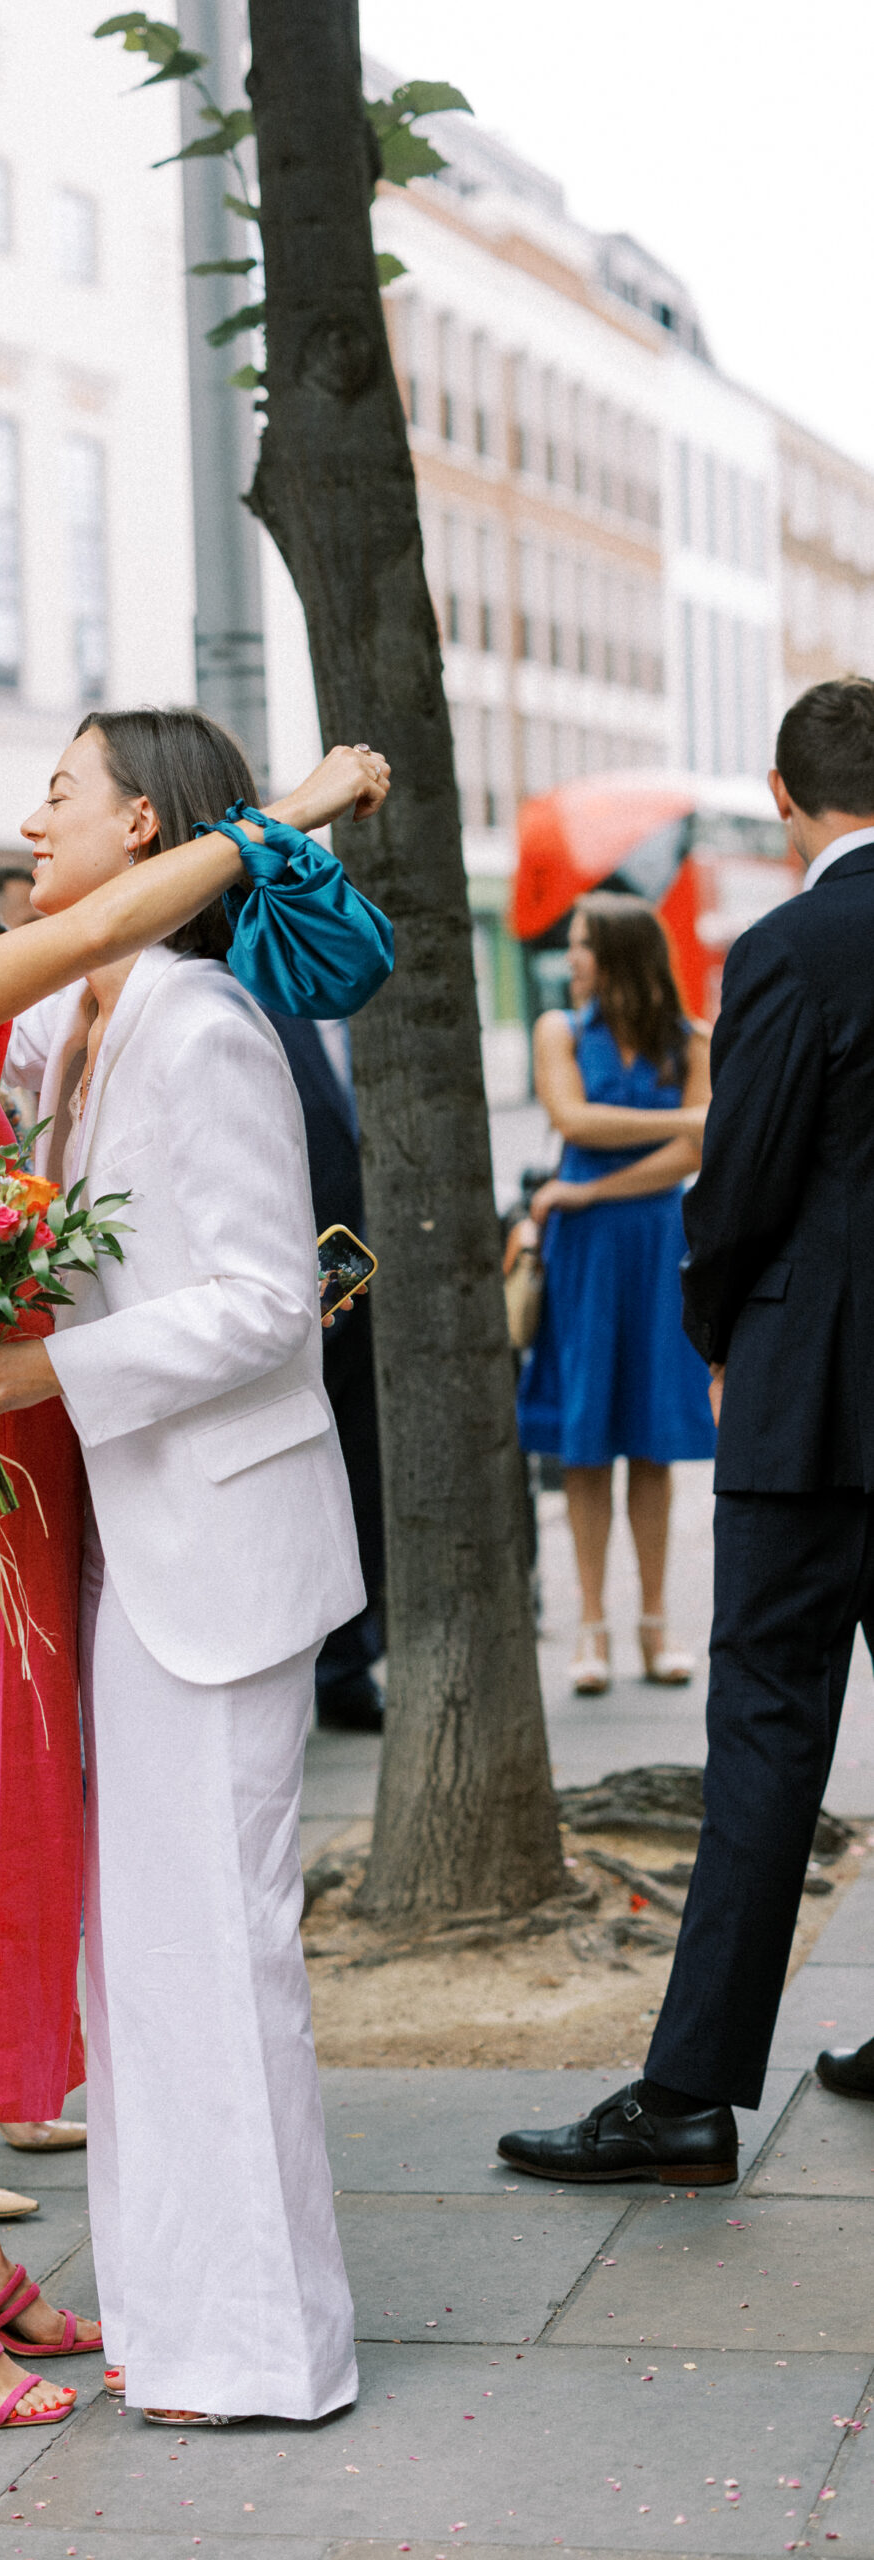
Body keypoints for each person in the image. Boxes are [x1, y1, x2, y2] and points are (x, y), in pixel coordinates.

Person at [0, 735, 386, 2432]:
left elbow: (249, 1279)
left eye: (46, 793)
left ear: (136, 820)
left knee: (59, 1892)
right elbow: (126, 928)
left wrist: (50, 1382)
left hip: (80, 1503)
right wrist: (284, 822)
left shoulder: (104, 1015)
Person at [497, 677, 874, 2186]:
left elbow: (742, 1175)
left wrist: (715, 1323)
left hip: (813, 1395)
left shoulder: (789, 947)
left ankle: (687, 2099)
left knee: (766, 1732)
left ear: (782, 800)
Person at [514, 893, 715, 1694]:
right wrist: (683, 1122)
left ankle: (654, 1625)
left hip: (650, 1242)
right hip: (589, 1255)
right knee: (585, 1442)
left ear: (621, 953)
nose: (572, 958)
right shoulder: (557, 1030)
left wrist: (591, 1190)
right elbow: (572, 1119)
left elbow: (693, 1153)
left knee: (653, 1443)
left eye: (583, 943)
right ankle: (590, 1629)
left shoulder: (690, 1038)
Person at [262, 1010, 386, 1731]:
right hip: (294, 1299)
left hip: (384, 1306)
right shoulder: (263, 1014)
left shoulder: (385, 1016)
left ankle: (348, 1664)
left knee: (362, 1484)